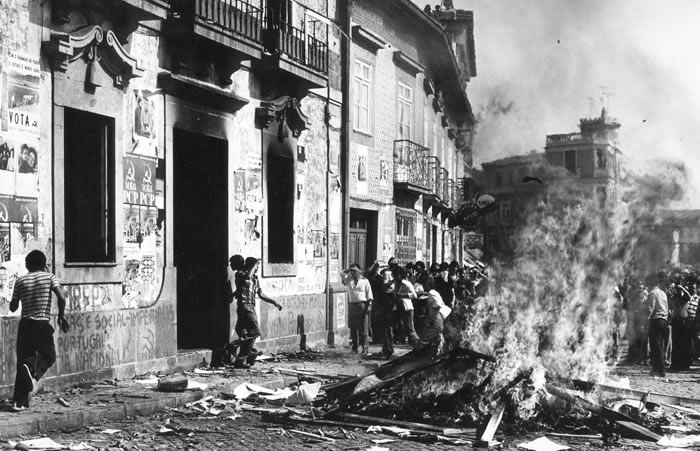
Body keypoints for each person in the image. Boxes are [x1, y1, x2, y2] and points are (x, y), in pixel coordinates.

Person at [9, 250, 70, 412]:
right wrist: (61, 316)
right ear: (44, 265)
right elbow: (61, 298)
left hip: (25, 325)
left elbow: (13, 306)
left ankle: (18, 402)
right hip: (42, 324)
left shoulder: (20, 280)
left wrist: (19, 299)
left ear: (27, 264)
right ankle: (33, 372)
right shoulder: (49, 277)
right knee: (48, 356)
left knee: (24, 362)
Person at [233, 257, 282, 369]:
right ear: (251, 266)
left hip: (250, 307)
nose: (258, 268)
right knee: (255, 332)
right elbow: (246, 279)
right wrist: (254, 264)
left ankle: (249, 356)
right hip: (245, 307)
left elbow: (260, 294)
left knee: (244, 333)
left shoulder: (255, 278)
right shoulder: (241, 274)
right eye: (256, 266)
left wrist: (273, 302)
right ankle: (235, 348)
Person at [341, 263, 374, 355]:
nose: (353, 273)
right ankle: (355, 347)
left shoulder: (365, 281)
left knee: (363, 328)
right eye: (352, 271)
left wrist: (369, 305)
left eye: (355, 271)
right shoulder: (349, 280)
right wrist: (347, 270)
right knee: (353, 328)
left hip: (362, 305)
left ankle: (365, 348)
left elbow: (369, 294)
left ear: (359, 272)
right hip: (352, 305)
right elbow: (341, 274)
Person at [648, 272, 669, 377]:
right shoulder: (663, 293)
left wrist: (646, 321)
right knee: (660, 345)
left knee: (655, 346)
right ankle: (657, 368)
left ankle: (659, 369)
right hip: (663, 320)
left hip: (656, 320)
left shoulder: (652, 293)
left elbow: (650, 309)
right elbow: (667, 308)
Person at [394, 266, 419, 346]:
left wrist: (403, 295)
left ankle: (418, 343)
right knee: (403, 326)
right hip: (400, 307)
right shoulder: (397, 283)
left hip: (407, 308)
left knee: (410, 328)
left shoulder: (406, 283)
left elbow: (414, 295)